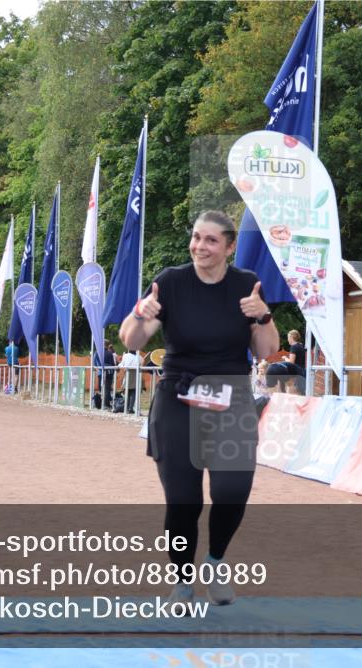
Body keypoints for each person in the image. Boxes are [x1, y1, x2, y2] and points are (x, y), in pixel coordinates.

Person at [119, 210, 278, 608]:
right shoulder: (170, 283)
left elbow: (265, 350)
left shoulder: (246, 285)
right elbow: (130, 341)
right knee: (183, 502)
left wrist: (263, 316)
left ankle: (215, 561)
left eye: (210, 240)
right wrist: (142, 314)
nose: (200, 246)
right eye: (195, 238)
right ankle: (183, 583)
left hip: (231, 398)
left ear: (228, 247)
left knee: (232, 491)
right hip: (178, 398)